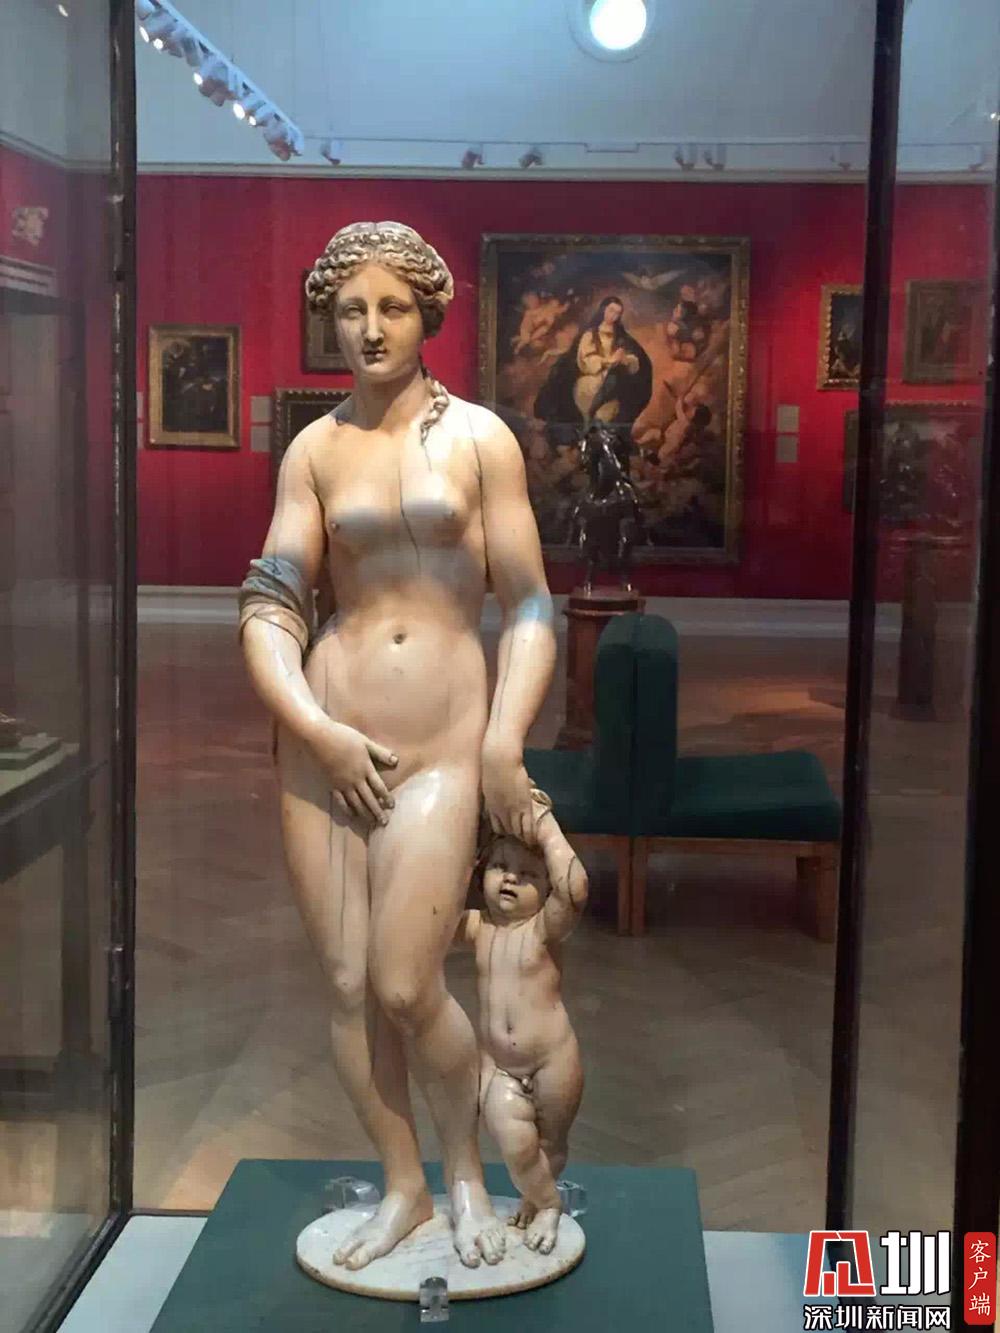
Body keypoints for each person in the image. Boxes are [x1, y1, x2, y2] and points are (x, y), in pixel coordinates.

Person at [238, 221, 556, 1272]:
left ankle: (465, 1174)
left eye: (392, 308)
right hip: (329, 737)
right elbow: (272, 603)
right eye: (349, 310)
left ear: (429, 316)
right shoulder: (314, 451)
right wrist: (314, 728)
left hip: (439, 745)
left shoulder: (480, 439)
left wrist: (505, 739)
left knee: (407, 983)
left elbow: (531, 605)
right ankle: (403, 1183)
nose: (370, 329)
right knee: (344, 983)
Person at [452, 790, 587, 1256]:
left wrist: (544, 824)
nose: (510, 878)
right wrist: (471, 844)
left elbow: (575, 887)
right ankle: (549, 1201)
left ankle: (540, 1201)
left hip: (553, 1058)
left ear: (547, 889)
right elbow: (436, 909)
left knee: (551, 1143)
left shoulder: (546, 929)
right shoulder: (477, 927)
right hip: (499, 1066)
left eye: (528, 874)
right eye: (499, 867)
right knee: (515, 1143)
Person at [534, 294, 652, 435]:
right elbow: (586, 359)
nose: (614, 316)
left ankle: (597, 422)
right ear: (603, 310)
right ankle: (590, 416)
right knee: (601, 386)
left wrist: (625, 359)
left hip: (614, 383)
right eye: (611, 311)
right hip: (591, 379)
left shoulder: (621, 337)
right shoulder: (590, 335)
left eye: (618, 313)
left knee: (616, 382)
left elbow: (635, 360)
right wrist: (609, 361)